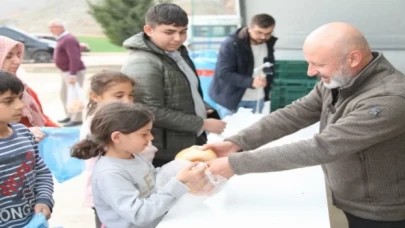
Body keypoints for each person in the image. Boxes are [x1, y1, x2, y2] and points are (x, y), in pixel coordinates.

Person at [203, 22, 405, 228]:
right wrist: (236, 143)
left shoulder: (389, 98)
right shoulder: (341, 79)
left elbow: (323, 147)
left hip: (383, 210)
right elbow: (293, 114)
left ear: (353, 58)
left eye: (319, 64)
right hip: (357, 196)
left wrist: (235, 164)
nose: (310, 72)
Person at [121, 3, 226, 167]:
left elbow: (186, 89)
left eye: (183, 31)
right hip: (165, 151)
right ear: (149, 30)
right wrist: (202, 123)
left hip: (186, 140)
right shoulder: (143, 62)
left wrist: (203, 107)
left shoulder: (176, 53)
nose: (178, 38)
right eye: (169, 32)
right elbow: (149, 110)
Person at [71, 102, 208, 228]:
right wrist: (180, 182)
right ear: (117, 137)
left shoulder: (133, 154)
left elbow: (152, 178)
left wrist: (181, 166)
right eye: (144, 134)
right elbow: (140, 214)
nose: (151, 138)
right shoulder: (110, 174)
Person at [79, 70, 158, 228]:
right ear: (95, 97)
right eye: (119, 95)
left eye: (131, 95)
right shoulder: (99, 125)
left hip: (131, 187)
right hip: (112, 191)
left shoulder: (123, 125)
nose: (127, 101)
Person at [0, 70, 54, 228]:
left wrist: (44, 200)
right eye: (8, 100)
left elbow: (41, 172)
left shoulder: (24, 133)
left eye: (20, 97)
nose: (21, 105)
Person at [209, 14, 277, 118]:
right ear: (249, 28)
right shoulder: (232, 43)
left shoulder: (268, 43)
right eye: (259, 32)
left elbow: (267, 65)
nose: (263, 37)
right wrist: (251, 81)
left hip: (258, 98)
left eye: (268, 33)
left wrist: (268, 80)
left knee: (253, 132)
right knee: (230, 132)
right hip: (231, 100)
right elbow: (224, 73)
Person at [0, 35, 58, 142]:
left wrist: (62, 132)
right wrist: (24, 132)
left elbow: (43, 120)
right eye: (8, 56)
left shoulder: (24, 89)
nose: (17, 61)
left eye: (18, 55)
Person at [49, 18, 86, 127]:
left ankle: (77, 118)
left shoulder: (69, 39)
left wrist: (73, 74)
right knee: (64, 94)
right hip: (65, 71)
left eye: (52, 27)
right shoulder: (62, 38)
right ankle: (70, 115)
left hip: (73, 71)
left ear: (60, 27)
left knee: (75, 95)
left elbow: (74, 57)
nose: (51, 30)